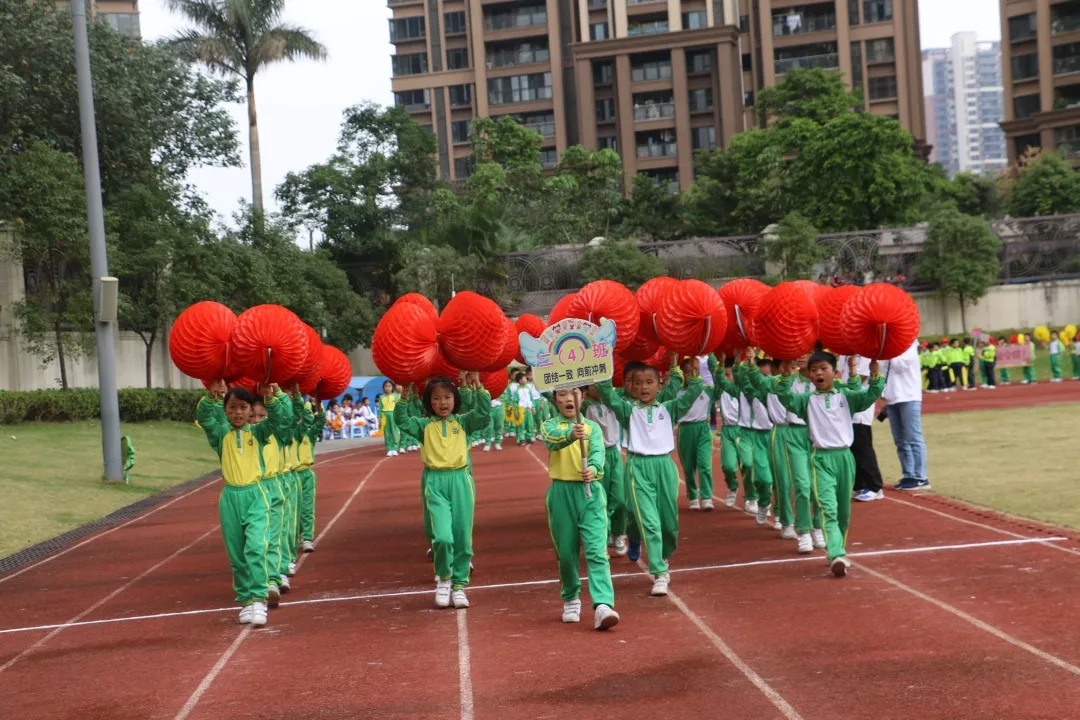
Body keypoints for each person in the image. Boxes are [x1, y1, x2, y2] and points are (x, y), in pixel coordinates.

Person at [597, 364, 705, 597]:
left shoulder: (670, 408)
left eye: (649, 382)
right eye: (638, 383)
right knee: (650, 521)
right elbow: (606, 394)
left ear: (660, 385)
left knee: (668, 523)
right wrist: (601, 364)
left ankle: (639, 539)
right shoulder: (627, 410)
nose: (643, 387)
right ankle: (659, 571)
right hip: (639, 467)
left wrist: (694, 376)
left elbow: (693, 394)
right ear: (632, 388)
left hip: (665, 467)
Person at [776, 352, 884, 577]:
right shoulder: (806, 401)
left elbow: (872, 394)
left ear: (835, 373)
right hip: (821, 459)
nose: (817, 373)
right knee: (828, 509)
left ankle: (836, 550)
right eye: (814, 370)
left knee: (844, 512)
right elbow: (785, 397)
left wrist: (875, 374)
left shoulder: (847, 397)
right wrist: (786, 376)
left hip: (845, 458)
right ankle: (836, 553)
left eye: (823, 368)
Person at [395, 376, 491, 609]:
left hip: (460, 481)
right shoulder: (423, 426)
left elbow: (483, 413)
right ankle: (444, 578)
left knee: (463, 539)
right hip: (435, 482)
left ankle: (459, 586)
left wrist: (478, 387)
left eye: (447, 397)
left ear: (455, 400)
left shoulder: (464, 423)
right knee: (442, 537)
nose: (443, 402)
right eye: (436, 398)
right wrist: (405, 395)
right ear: (429, 402)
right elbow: (401, 419)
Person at [197, 381, 287, 628]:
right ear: (225, 410)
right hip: (230, 498)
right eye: (233, 407)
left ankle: (259, 599)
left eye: (243, 407)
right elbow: (204, 416)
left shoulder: (258, 432)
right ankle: (246, 601)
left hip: (256, 495)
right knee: (237, 554)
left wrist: (272, 398)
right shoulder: (220, 434)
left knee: (256, 547)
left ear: (250, 411)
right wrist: (211, 396)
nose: (238, 412)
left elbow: (279, 420)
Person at [540, 387, 620, 630]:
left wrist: (593, 469)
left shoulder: (592, 428)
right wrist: (571, 437)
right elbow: (551, 441)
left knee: (597, 551)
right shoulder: (550, 425)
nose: (568, 399)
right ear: (555, 399)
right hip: (561, 493)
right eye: (562, 394)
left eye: (574, 393)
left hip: (591, 493)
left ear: (582, 397)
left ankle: (603, 604)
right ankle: (571, 597)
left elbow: (598, 454)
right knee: (566, 553)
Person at [583, 384, 628, 555]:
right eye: (594, 386)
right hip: (597, 455)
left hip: (614, 454)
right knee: (600, 498)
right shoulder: (586, 406)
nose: (599, 388)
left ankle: (618, 533)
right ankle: (604, 534)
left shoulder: (614, 401)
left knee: (620, 498)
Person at [882, 341, 929, 491]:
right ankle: (908, 474)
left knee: (913, 437)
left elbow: (899, 365)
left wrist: (887, 351)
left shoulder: (908, 345)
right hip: (891, 396)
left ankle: (920, 476)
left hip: (909, 395)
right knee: (900, 440)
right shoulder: (885, 347)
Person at [736, 355, 776, 528]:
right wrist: (743, 358)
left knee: (780, 478)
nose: (763, 381)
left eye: (767, 377)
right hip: (755, 436)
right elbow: (738, 377)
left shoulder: (778, 387)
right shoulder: (749, 390)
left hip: (776, 435)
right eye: (760, 376)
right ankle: (762, 501)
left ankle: (782, 516)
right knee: (762, 478)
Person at [674, 357, 716, 511]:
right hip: (685, 430)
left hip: (703, 429)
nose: (691, 374)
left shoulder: (707, 389)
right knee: (688, 466)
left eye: (695, 371)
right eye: (687, 372)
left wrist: (713, 360)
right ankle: (692, 496)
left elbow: (720, 381)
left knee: (704, 464)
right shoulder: (677, 391)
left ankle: (706, 497)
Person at [842, 355, 886, 502]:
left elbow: (861, 377)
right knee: (853, 448)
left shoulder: (864, 354)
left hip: (861, 406)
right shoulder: (843, 354)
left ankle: (875, 486)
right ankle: (859, 485)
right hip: (845, 406)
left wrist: (837, 388)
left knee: (863, 447)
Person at [706, 355, 741, 509]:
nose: (726, 378)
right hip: (727, 431)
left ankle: (753, 497)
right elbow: (713, 368)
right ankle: (732, 487)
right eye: (724, 375)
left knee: (748, 465)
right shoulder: (721, 390)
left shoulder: (744, 389)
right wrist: (716, 354)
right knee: (728, 465)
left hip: (744, 431)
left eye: (729, 375)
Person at [378, 382, 401, 456]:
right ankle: (389, 448)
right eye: (386, 386)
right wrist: (380, 419)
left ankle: (394, 448)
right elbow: (380, 409)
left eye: (389, 386)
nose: (387, 388)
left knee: (394, 431)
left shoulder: (395, 396)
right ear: (383, 388)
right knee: (387, 432)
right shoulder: (382, 397)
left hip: (393, 414)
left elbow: (398, 407)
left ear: (392, 387)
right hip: (384, 415)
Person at [513, 372, 536, 445]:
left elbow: (531, 399)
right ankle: (521, 438)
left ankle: (529, 436)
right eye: (524, 378)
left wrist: (533, 407)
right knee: (521, 425)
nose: (526, 379)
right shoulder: (517, 391)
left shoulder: (528, 389)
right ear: (520, 381)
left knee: (529, 424)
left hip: (528, 409)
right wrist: (516, 411)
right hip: (521, 410)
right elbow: (515, 402)